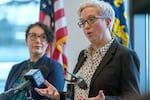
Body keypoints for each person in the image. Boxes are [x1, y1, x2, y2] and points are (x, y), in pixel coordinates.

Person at [35, 0, 140, 100]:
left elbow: (134, 97)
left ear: (107, 22)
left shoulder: (125, 55)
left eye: (91, 19)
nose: (86, 26)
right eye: (82, 22)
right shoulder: (83, 55)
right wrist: (58, 95)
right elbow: (77, 94)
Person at [4, 22, 65, 100]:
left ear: (47, 43)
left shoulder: (54, 67)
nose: (38, 40)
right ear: (26, 40)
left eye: (43, 37)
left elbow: (54, 96)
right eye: (33, 36)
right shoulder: (15, 67)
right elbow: (5, 95)